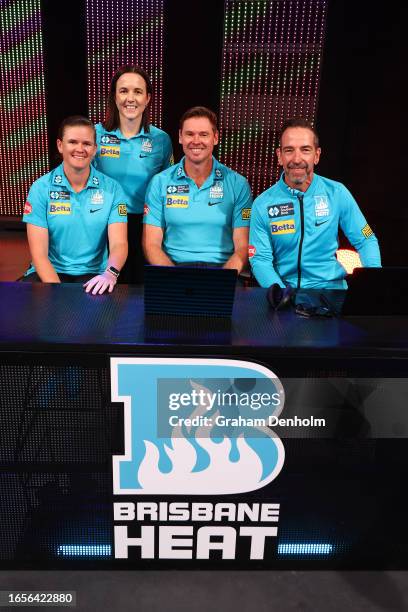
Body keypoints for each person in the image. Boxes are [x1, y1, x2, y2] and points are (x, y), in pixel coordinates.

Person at [249, 117, 381, 289]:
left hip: (332, 293)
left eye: (305, 150)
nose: (297, 159)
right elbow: (260, 259)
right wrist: (280, 294)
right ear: (279, 156)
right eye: (289, 150)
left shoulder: (337, 192)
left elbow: (366, 239)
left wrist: (374, 285)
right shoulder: (262, 204)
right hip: (286, 294)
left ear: (316, 155)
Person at [22, 115, 128, 295]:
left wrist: (110, 274)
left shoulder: (113, 189)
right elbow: (39, 255)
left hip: (94, 274)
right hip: (49, 272)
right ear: (60, 145)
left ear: (95, 149)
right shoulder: (40, 188)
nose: (80, 149)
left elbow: (119, 243)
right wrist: (58, 294)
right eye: (72, 142)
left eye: (86, 144)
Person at [143, 106, 252, 272]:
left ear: (215, 138)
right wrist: (174, 279)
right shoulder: (159, 182)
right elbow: (150, 244)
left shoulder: (238, 184)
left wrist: (222, 281)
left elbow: (243, 247)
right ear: (180, 137)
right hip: (173, 270)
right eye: (189, 134)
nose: (196, 140)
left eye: (203, 134)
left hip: (222, 271)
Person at [93, 65, 173, 284]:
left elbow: (166, 189)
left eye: (137, 92)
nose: (130, 98)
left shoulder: (161, 140)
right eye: (123, 91)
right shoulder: (94, 135)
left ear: (147, 98)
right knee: (106, 292)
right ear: (114, 97)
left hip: (147, 227)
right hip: (105, 224)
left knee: (141, 294)